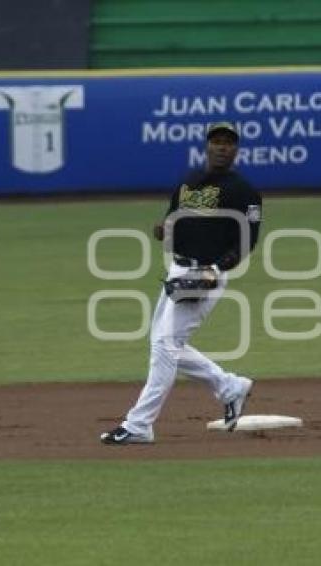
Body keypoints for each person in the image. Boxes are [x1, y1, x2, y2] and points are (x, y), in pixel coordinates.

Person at [101, 122, 262, 445]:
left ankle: (139, 424)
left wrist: (216, 268)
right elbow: (174, 218)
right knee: (164, 343)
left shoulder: (244, 191)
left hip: (207, 274)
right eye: (216, 141)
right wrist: (165, 230)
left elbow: (248, 240)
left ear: (236, 150)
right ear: (207, 146)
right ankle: (230, 386)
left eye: (228, 143)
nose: (221, 147)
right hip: (178, 270)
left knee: (164, 347)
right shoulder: (188, 180)